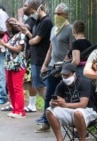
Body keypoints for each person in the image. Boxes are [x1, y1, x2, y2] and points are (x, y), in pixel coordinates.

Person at [38, 3, 75, 132]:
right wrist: (45, 64)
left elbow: (71, 49)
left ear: (66, 15)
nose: (56, 16)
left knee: (67, 96)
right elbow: (50, 48)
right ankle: (46, 120)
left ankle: (72, 123)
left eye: (59, 14)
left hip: (64, 68)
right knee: (49, 94)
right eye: (55, 14)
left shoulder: (70, 29)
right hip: (52, 66)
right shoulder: (54, 29)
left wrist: (63, 66)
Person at [46, 63, 97, 141]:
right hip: (70, 111)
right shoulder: (61, 84)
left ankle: (82, 139)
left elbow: (83, 104)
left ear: (74, 74)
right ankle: (59, 139)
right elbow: (55, 99)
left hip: (89, 111)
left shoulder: (84, 83)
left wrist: (65, 104)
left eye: (67, 75)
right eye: (63, 75)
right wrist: (53, 103)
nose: (65, 77)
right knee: (49, 111)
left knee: (77, 112)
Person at [20, 0, 53, 113]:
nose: (33, 14)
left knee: (42, 85)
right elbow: (33, 38)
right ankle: (48, 111)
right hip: (35, 57)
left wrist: (29, 37)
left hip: (41, 57)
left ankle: (50, 111)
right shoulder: (38, 21)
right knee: (38, 85)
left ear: (39, 9)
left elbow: (35, 40)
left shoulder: (46, 22)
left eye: (33, 11)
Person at [0, 17, 27, 118]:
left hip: (18, 66)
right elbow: (7, 49)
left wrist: (5, 45)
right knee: (10, 88)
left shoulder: (21, 36)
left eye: (8, 27)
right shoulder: (11, 36)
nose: (7, 29)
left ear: (12, 26)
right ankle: (15, 109)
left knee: (17, 88)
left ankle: (20, 111)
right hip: (9, 65)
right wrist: (2, 45)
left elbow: (18, 49)